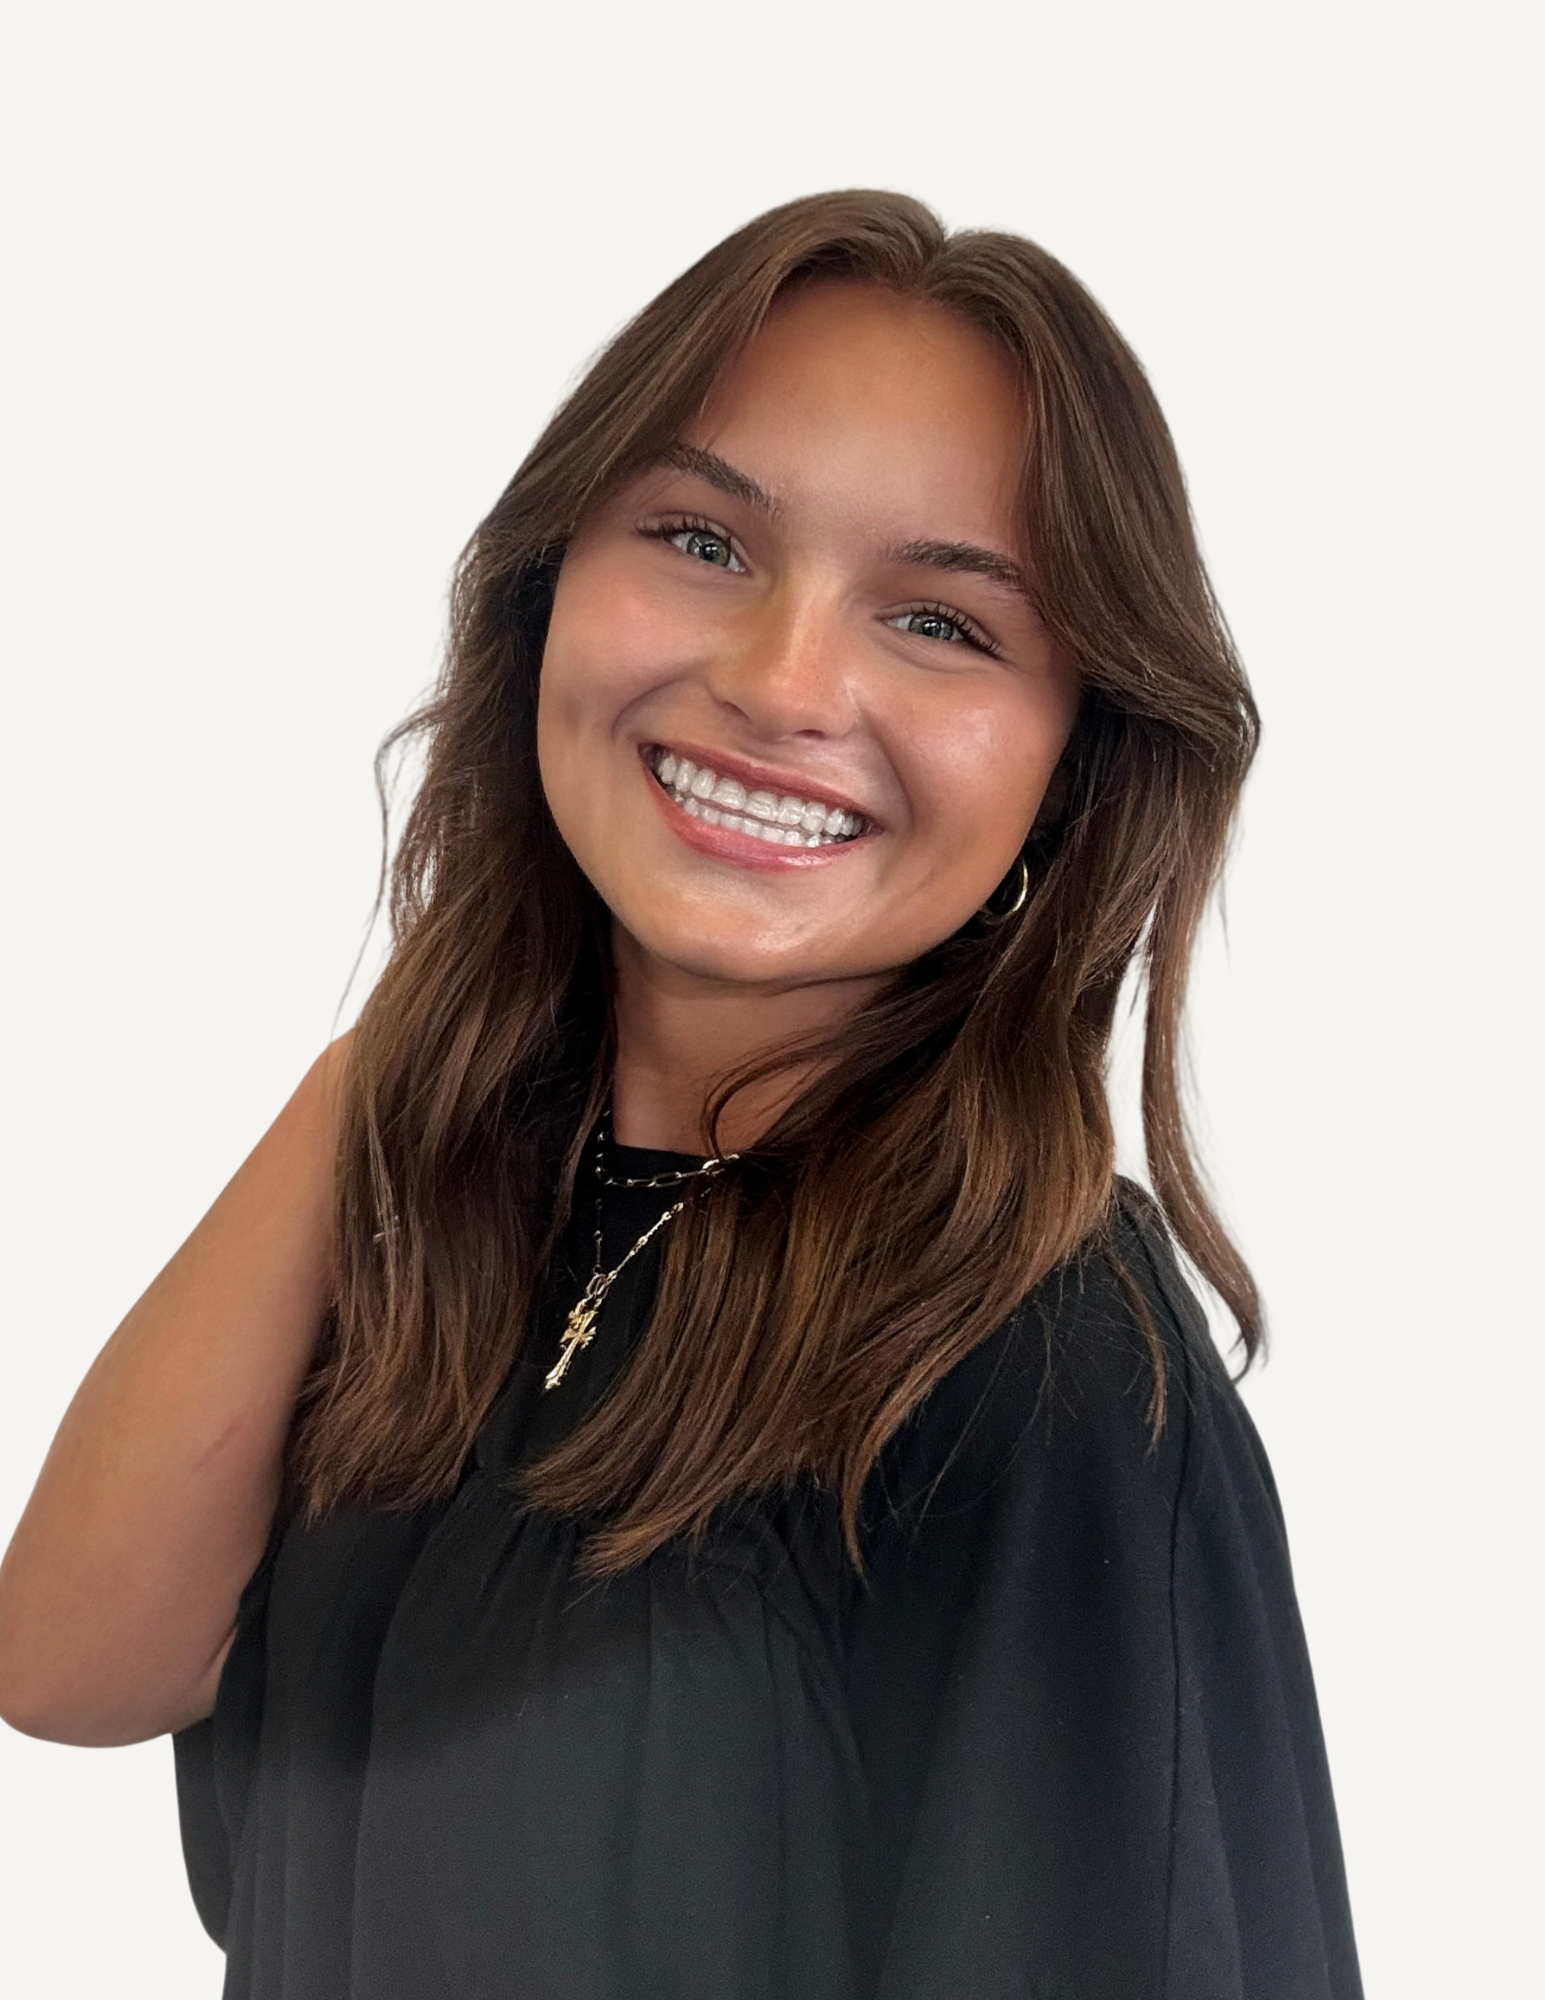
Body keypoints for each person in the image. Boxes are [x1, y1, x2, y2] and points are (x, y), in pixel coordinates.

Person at [0, 191, 1362, 1998]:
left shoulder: (1036, 1358)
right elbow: (70, 1662)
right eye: (704, 539)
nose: (781, 683)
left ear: (1075, 758)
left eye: (944, 625)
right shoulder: (459, 1211)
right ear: (546, 582)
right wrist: (408, 1049)